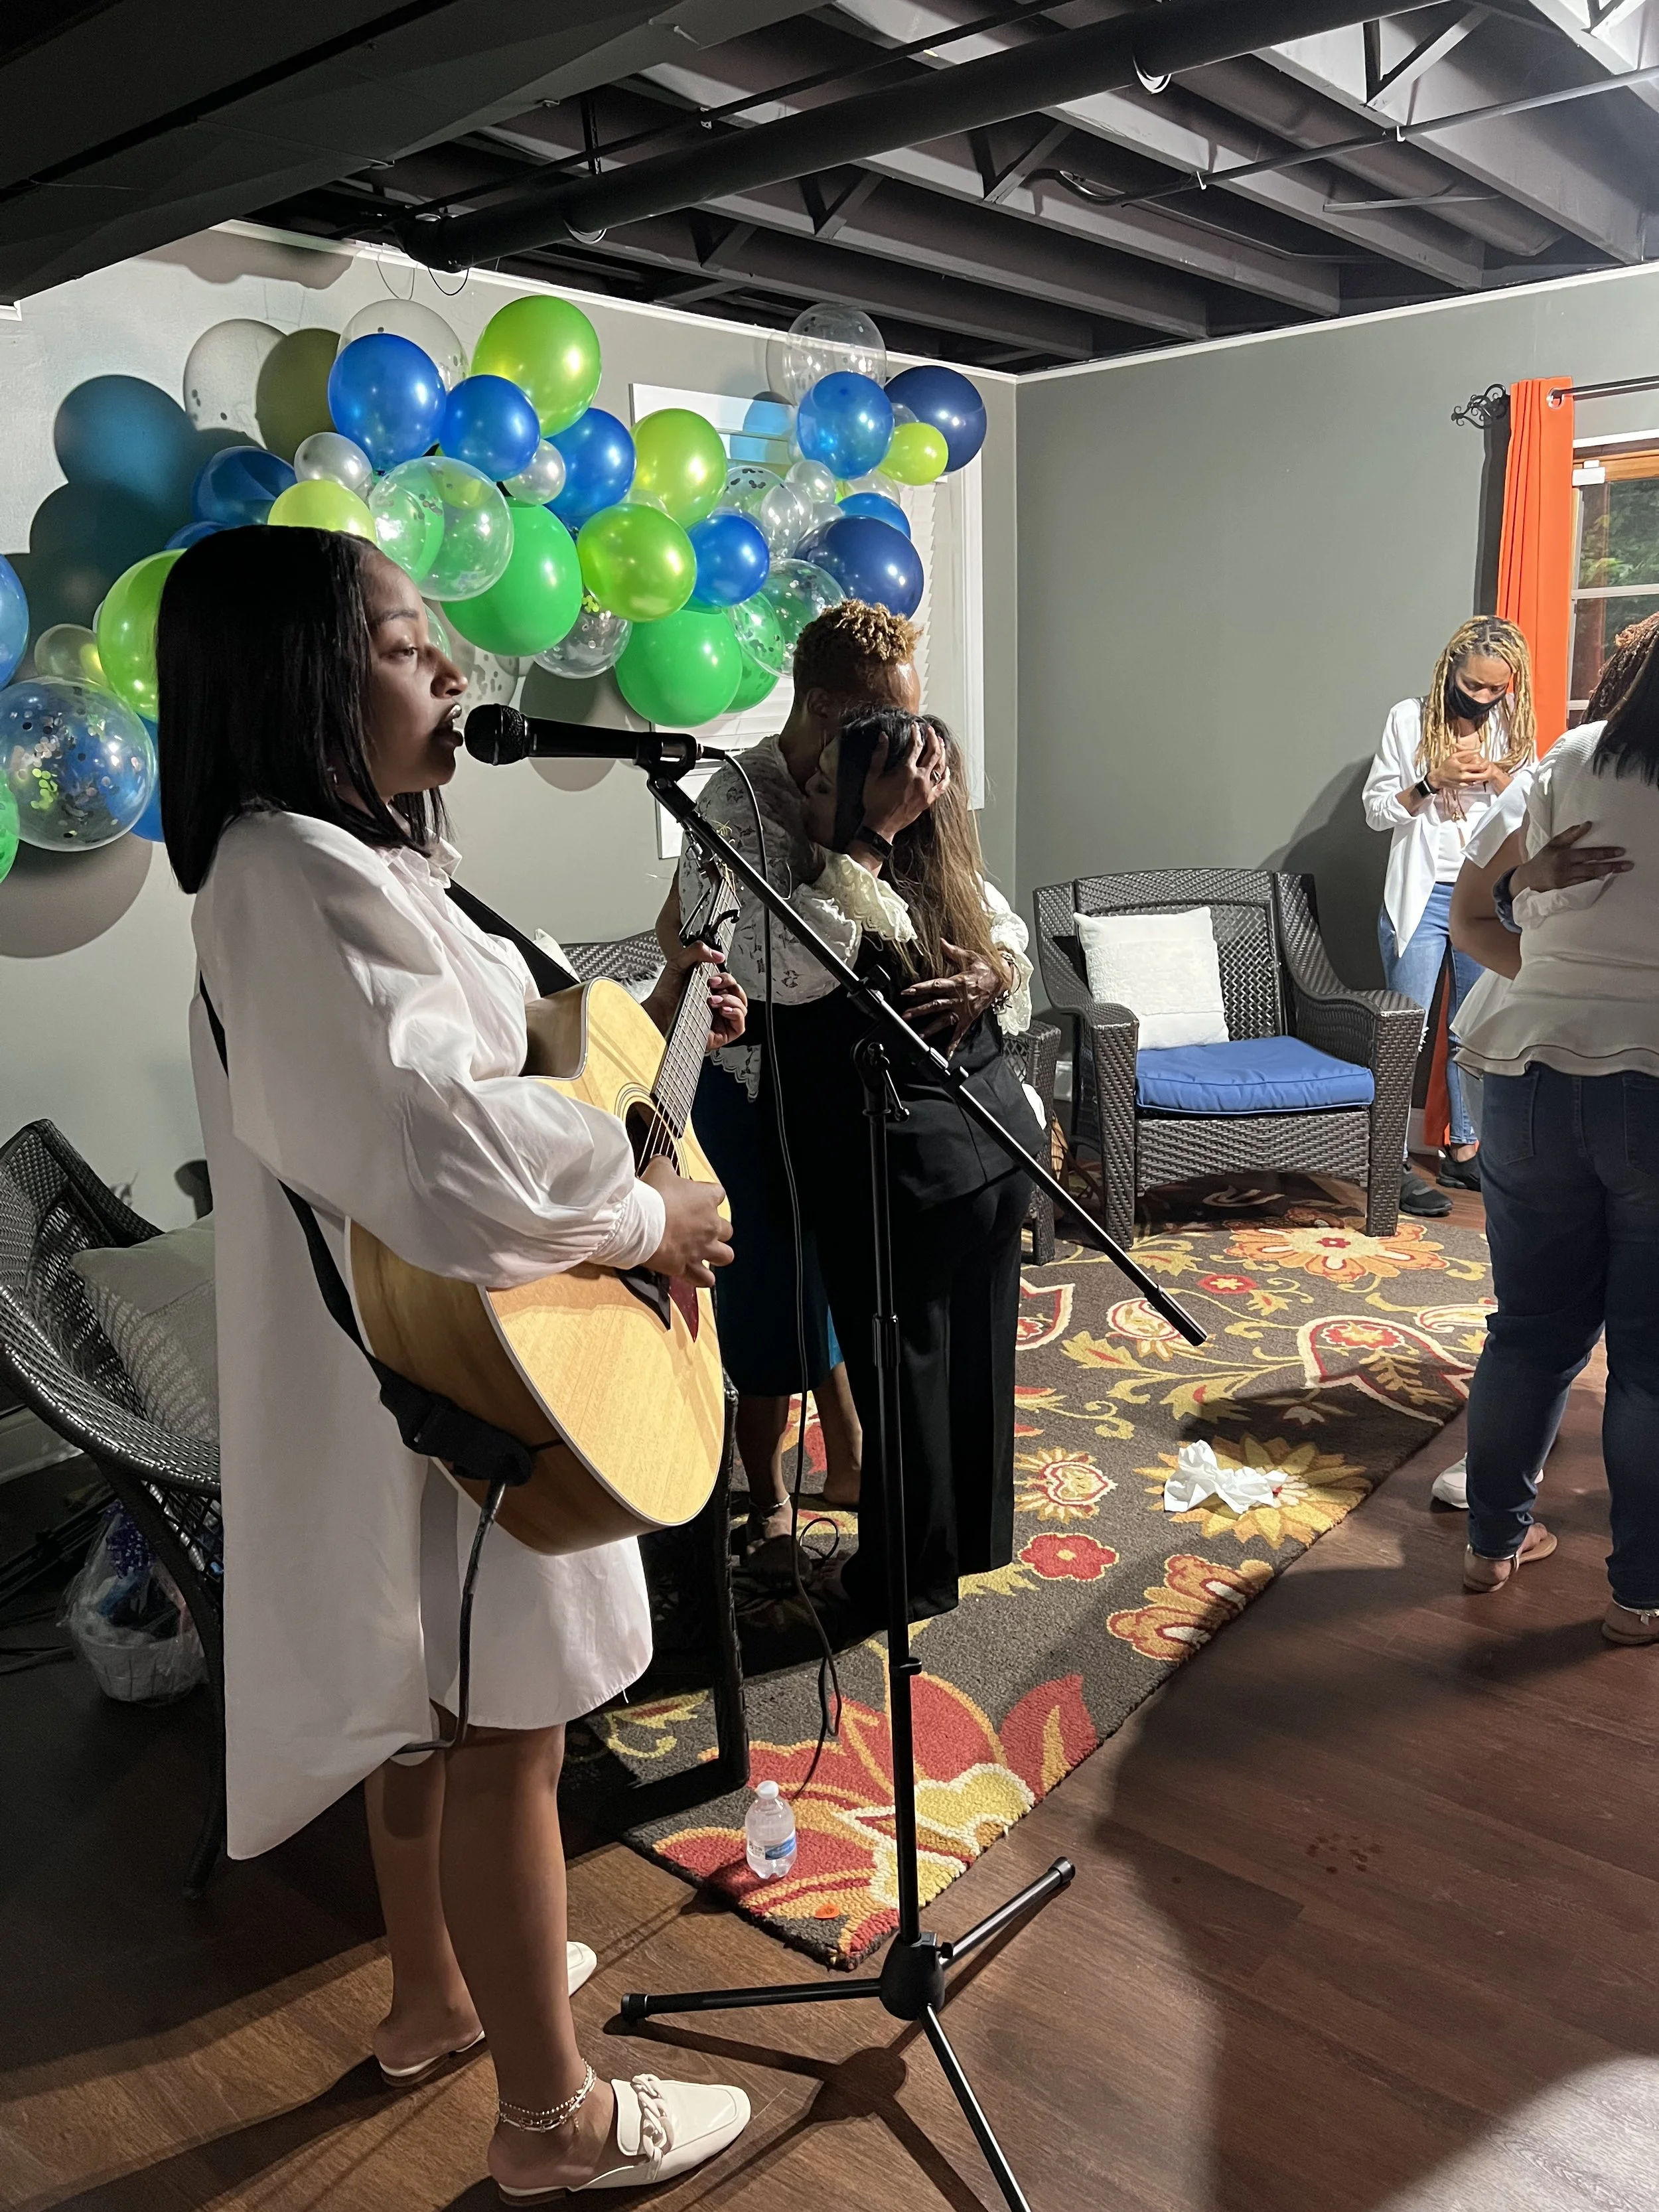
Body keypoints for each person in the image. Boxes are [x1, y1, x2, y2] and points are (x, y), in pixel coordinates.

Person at [157, 525, 752, 2200]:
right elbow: (436, 1153)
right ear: (304, 677)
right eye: (415, 644)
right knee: (511, 1737)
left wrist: (651, 1020)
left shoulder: (355, 867)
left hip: (440, 1376)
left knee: (439, 1712)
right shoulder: (292, 875)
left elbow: (508, 1069)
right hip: (458, 1379)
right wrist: (647, 1221)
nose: (458, 672)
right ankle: (553, 2122)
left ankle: (432, 1997)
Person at [663, 601, 1030, 1556]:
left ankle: (855, 1461)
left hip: (850, 1089)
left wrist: (996, 967)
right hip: (753, 1076)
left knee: (844, 1281)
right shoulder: (737, 804)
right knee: (775, 1294)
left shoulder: (880, 777)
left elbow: (982, 904)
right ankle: (768, 1498)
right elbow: (778, 969)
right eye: (885, 713)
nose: (907, 741)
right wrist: (867, 840)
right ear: (824, 706)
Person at [764, 706, 1037, 1627]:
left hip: (919, 1171)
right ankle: (963, 1543)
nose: (804, 794)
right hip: (994, 1149)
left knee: (906, 1374)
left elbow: (795, 959)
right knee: (968, 1361)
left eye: (823, 785)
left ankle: (904, 1577)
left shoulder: (850, 896)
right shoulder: (947, 879)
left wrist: (869, 832)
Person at [1453, 615, 1659, 1645]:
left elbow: (1468, 915)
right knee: (1653, 1358)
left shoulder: (1571, 760)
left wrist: (1564, 980)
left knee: (1530, 1329)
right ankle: (1639, 1596)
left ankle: (1493, 1545)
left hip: (1532, 1069)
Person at [1363, 616, 1536, 1217]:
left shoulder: (1511, 724)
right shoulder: (1408, 719)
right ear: (1451, 670)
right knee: (1403, 1032)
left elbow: (1533, 802)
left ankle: (1465, 1152)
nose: (1485, 698)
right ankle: (1384, 1163)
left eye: (1497, 689)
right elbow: (1377, 811)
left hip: (1482, 894)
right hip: (1422, 893)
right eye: (1475, 686)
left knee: (1473, 1026)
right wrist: (1430, 781)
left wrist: (1496, 774)